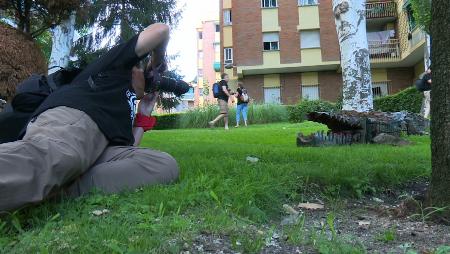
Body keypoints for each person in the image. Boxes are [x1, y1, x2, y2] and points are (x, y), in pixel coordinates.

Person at [0, 23, 180, 212]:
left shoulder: (127, 104)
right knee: (59, 157)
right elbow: (161, 30)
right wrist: (157, 63)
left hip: (95, 147)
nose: (145, 73)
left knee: (163, 165)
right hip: (73, 119)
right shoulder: (114, 67)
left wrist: (143, 112)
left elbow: (128, 151)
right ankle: (42, 185)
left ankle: (54, 192)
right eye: (141, 68)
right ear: (134, 69)